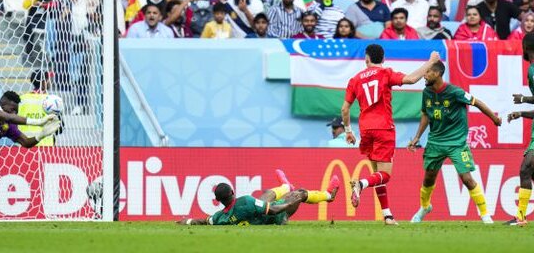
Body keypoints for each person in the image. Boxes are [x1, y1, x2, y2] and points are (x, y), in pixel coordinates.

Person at [342, 45, 440, 225]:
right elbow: (411, 80)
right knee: (384, 175)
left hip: (365, 129)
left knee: (377, 175)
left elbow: (345, 109)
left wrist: (348, 131)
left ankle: (387, 215)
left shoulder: (355, 79)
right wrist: (431, 61)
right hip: (383, 128)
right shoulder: (386, 73)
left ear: (366, 59)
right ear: (384, 58)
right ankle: (360, 184)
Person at [408, 60, 501, 224]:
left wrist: (494, 118)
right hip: (435, 142)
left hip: (457, 142)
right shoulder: (426, 93)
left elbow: (477, 102)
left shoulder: (455, 92)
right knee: (429, 178)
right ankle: (425, 207)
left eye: (427, 72)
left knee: (466, 178)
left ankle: (485, 214)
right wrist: (416, 137)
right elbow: (425, 114)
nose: (424, 74)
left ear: (437, 74)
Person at [178, 172, 339, 226]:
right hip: (276, 218)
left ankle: (285, 186)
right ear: (232, 192)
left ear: (219, 201)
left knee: (267, 194)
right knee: (301, 193)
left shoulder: (219, 218)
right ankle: (328, 196)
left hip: (257, 215)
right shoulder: (245, 201)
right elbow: (274, 209)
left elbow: (203, 222)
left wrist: (186, 221)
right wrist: (291, 201)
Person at [504, 33, 534, 226]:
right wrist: (521, 113)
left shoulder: (532, 70)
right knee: (529, 172)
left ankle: (520, 217)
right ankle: (520, 217)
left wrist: (523, 101)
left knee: (525, 169)